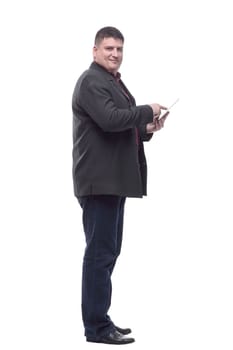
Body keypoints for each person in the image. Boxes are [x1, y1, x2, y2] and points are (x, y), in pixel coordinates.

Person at [72, 26, 168, 345]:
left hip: (113, 181)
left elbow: (120, 125)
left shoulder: (111, 82)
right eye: (109, 48)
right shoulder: (91, 82)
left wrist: (146, 127)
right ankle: (96, 327)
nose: (115, 54)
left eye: (119, 49)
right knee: (100, 254)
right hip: (99, 182)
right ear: (95, 50)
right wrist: (146, 110)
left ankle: (101, 318)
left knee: (108, 252)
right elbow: (111, 119)